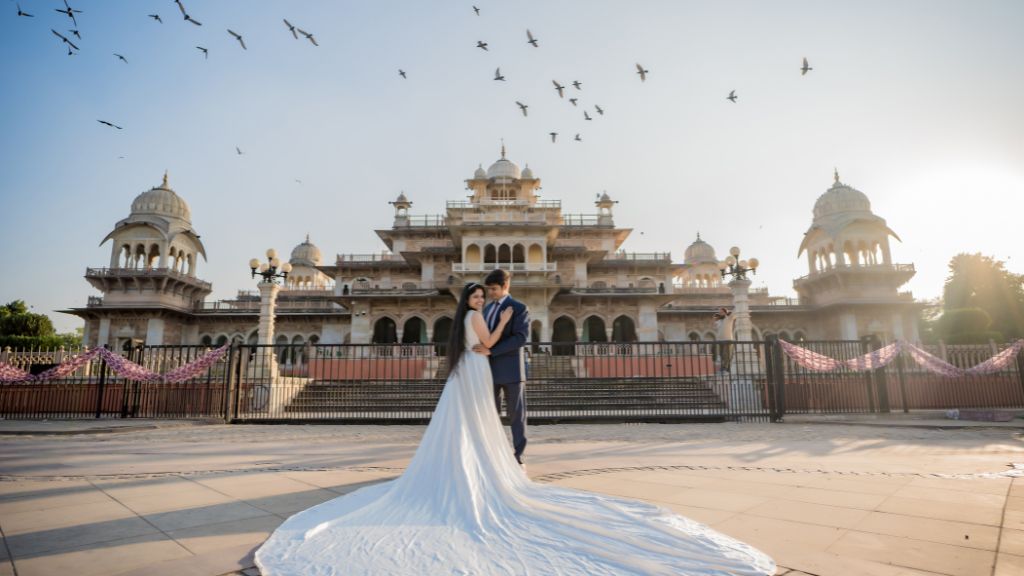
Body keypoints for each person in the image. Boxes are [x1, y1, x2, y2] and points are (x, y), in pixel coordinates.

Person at [254, 283, 775, 575]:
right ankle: (490, 465)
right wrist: (496, 325)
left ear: (499, 291)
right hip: (478, 366)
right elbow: (483, 342)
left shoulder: (505, 309)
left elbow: (500, 337)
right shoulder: (481, 317)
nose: (485, 298)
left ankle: (499, 458)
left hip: (481, 370)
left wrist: (501, 327)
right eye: (479, 295)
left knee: (493, 421)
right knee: (479, 423)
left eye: (490, 293)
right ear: (474, 299)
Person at [472, 268, 529, 465]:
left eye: (494, 289)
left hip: (511, 370)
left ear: (506, 286)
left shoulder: (519, 307)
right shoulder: (486, 310)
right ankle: (493, 453)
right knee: (490, 414)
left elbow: (520, 338)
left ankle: (518, 455)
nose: (490, 293)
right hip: (488, 370)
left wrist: (492, 352)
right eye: (488, 289)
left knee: (516, 415)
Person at [715, 307, 734, 372]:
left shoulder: (729, 318)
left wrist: (728, 313)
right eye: (719, 312)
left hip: (727, 339)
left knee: (726, 354)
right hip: (720, 340)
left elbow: (734, 313)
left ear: (725, 312)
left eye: (721, 312)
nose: (720, 313)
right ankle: (724, 367)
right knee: (722, 355)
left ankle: (726, 368)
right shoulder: (719, 321)